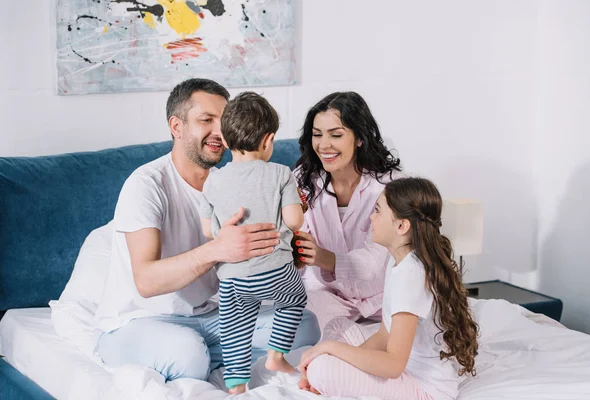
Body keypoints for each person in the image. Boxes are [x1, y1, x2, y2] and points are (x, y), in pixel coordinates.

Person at [93, 79, 320, 383]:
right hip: (141, 321)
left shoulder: (230, 180)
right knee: (188, 355)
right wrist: (218, 249)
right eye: (206, 120)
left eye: (223, 121)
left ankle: (224, 352)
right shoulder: (146, 184)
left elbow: (246, 264)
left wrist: (285, 254)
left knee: (306, 325)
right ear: (177, 126)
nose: (219, 132)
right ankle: (222, 354)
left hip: (209, 317)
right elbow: (146, 281)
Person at [297, 177, 480, 400]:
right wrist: (345, 359)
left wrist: (330, 350)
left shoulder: (411, 276)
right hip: (405, 369)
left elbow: (393, 365)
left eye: (377, 211)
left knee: (322, 368)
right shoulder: (399, 262)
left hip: (424, 388)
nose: (370, 217)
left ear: (401, 226)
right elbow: (385, 334)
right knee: (337, 327)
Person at [199, 92, 307, 394]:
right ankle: (275, 355)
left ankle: (236, 385)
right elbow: (295, 221)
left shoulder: (213, 180)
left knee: (234, 329)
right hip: (276, 271)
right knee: (295, 299)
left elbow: (209, 231)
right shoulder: (281, 174)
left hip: (233, 278)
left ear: (226, 139)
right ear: (268, 140)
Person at [293, 91, 402, 329]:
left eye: (336, 135)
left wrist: (324, 257)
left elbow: (373, 261)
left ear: (360, 138)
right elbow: (295, 238)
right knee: (298, 330)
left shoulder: (389, 186)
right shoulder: (302, 181)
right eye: (317, 135)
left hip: (383, 296)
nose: (324, 145)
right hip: (327, 295)